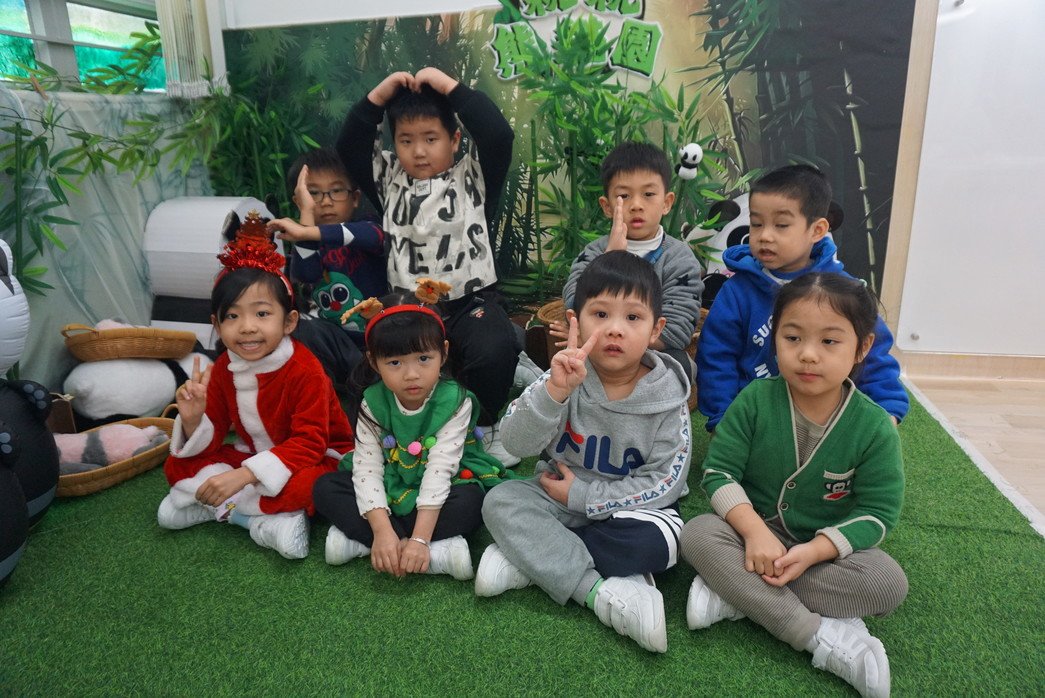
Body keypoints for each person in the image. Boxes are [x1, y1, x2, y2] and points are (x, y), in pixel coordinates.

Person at [681, 272, 907, 698]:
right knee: (697, 534)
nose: (807, 354)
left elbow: (878, 514)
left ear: (862, 347)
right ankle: (815, 635)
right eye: (792, 338)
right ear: (775, 340)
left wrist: (816, 551)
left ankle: (736, 591)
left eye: (829, 341)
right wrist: (754, 532)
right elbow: (719, 472)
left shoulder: (875, 426)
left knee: (886, 583)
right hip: (746, 535)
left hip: (821, 554)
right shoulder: (754, 399)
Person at [475, 251, 691, 653]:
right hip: (555, 495)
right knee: (500, 500)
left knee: (664, 541)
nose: (615, 330)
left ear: (655, 329)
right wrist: (554, 393)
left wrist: (584, 496)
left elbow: (665, 482)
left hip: (629, 508)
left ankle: (536, 558)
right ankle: (596, 590)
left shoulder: (668, 396)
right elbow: (516, 443)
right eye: (600, 314)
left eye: (633, 317)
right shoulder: (561, 376)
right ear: (575, 320)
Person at [337, 66, 521, 465]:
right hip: (408, 309)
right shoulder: (388, 177)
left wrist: (448, 86)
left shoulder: (473, 175)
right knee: (368, 374)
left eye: (431, 139)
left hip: (470, 302)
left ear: (454, 139)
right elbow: (350, 145)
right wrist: (379, 95)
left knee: (494, 346)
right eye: (406, 140)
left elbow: (497, 135)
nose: (419, 151)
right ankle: (394, 434)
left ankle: (484, 427)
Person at [157, 232, 354, 559]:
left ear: (289, 321)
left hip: (316, 458)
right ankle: (263, 518)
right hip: (255, 456)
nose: (247, 327)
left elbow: (310, 443)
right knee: (177, 463)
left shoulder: (305, 369)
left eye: (262, 314)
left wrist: (244, 475)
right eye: (232, 316)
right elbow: (213, 434)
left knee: (309, 486)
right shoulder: (224, 366)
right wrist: (192, 420)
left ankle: (230, 511)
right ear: (216, 325)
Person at [312, 288, 514, 581]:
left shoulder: (456, 400)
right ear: (373, 362)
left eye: (423, 358)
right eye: (395, 363)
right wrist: (383, 532)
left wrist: (419, 538)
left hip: (447, 481)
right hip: (391, 478)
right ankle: (424, 549)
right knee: (326, 487)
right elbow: (367, 469)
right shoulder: (372, 401)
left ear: (443, 352)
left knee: (472, 501)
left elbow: (440, 469)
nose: (411, 375)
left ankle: (372, 544)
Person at [696, 164, 908, 431]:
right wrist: (723, 419)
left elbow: (873, 355)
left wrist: (887, 409)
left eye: (781, 225)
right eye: (757, 224)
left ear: (817, 230)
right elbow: (717, 357)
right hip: (755, 421)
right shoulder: (737, 291)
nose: (765, 236)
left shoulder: (845, 292)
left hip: (829, 421)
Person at [554, 141, 704, 383]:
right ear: (607, 206)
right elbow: (573, 302)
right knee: (565, 357)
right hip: (596, 354)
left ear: (667, 202)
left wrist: (597, 338)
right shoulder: (594, 251)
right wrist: (610, 258)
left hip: (653, 356)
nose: (636, 205)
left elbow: (677, 330)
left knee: (680, 365)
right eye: (624, 196)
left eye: (648, 194)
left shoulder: (679, 259)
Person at [267, 148, 387, 389]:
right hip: (334, 344)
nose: (326, 201)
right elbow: (307, 274)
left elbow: (374, 237)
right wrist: (306, 220)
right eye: (313, 193)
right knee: (300, 329)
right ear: (300, 200)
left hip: (378, 343)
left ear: (355, 197)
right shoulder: (305, 242)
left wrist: (308, 231)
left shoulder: (368, 225)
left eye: (337, 190)